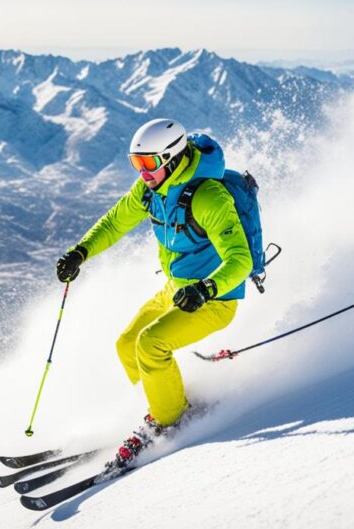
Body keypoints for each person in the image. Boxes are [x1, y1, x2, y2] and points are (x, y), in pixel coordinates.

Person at [55, 118, 252, 459]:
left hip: (214, 298)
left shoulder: (207, 196)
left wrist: (206, 289)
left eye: (148, 163)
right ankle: (163, 404)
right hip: (177, 290)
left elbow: (241, 259)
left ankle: (170, 421)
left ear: (172, 158)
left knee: (151, 344)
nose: (142, 172)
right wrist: (80, 251)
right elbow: (117, 221)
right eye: (136, 163)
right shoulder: (150, 190)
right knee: (128, 344)